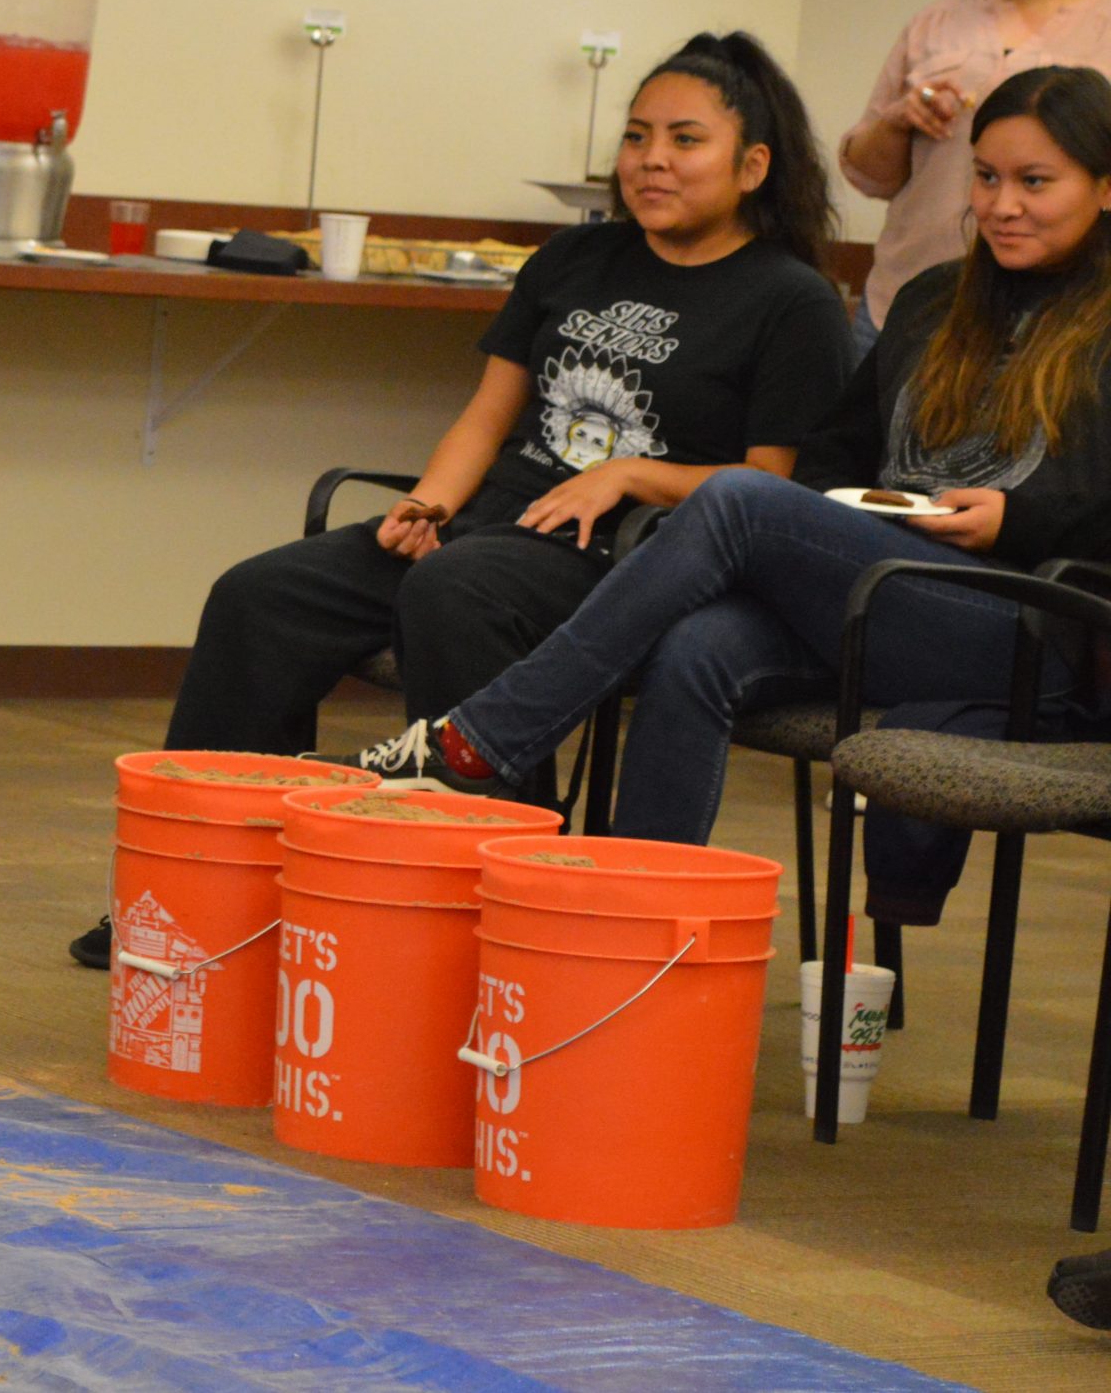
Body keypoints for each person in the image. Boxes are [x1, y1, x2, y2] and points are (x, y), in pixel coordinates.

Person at [71, 32, 851, 967]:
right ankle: (197, 895)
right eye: (637, 136)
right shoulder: (576, 258)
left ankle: (485, 910)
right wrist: (431, 506)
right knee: (259, 596)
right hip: (490, 525)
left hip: (627, 553)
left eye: (685, 140)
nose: (652, 160)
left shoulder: (791, 300)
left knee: (456, 592)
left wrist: (633, 474)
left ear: (752, 166)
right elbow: (486, 417)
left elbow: (769, 489)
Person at [350, 66, 1111, 921]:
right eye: (987, 177)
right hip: (888, 586)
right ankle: (629, 918)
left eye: (1035, 182)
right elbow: (832, 455)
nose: (1003, 205)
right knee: (697, 646)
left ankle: (481, 741)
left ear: (1105, 186)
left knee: (740, 497)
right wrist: (856, 508)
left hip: (1037, 627)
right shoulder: (935, 299)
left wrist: (1018, 517)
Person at [840, 0, 1111, 356]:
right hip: (910, 295)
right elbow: (867, 172)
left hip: (1061, 319)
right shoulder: (936, 22)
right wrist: (898, 121)